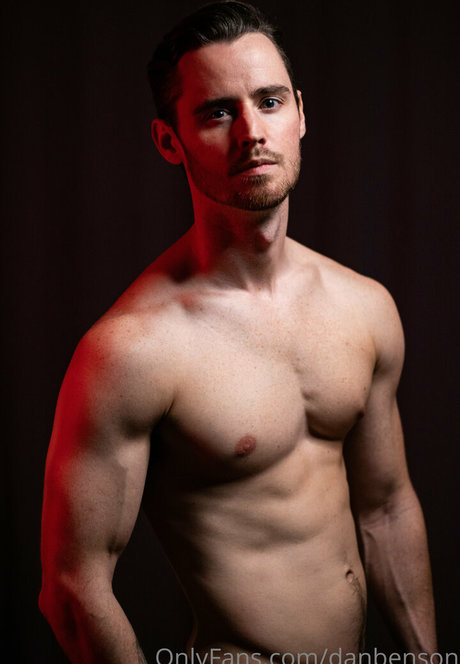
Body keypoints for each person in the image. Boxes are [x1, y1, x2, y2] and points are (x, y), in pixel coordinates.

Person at [39, 2, 437, 662]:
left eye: (270, 102)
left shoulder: (364, 306)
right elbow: (73, 591)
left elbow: (387, 510)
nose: (252, 131)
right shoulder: (131, 350)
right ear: (170, 141)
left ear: (300, 114)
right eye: (218, 112)